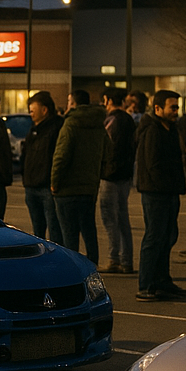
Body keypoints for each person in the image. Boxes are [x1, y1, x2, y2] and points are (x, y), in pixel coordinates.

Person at [135, 90, 186, 301]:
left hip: (169, 191)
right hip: (156, 193)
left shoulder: (170, 129)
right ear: (158, 109)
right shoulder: (152, 131)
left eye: (177, 107)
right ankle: (146, 285)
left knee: (167, 236)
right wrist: (165, 185)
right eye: (172, 107)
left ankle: (162, 281)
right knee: (154, 237)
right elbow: (152, 164)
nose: (176, 111)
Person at [50, 89, 111, 264]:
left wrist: (54, 182)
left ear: (74, 103)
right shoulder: (99, 124)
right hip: (89, 186)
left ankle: (73, 267)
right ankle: (92, 263)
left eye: (69, 101)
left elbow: (61, 156)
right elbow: (108, 151)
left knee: (69, 234)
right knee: (89, 229)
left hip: (67, 188)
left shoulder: (70, 124)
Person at [99, 88, 137, 273]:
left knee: (109, 216)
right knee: (123, 216)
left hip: (110, 174)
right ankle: (127, 260)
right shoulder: (129, 119)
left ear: (108, 100)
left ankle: (114, 258)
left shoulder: (111, 120)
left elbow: (107, 147)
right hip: (125, 174)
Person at [20, 91, 63, 244]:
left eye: (33, 109)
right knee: (37, 231)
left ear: (44, 110)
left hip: (47, 187)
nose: (30, 112)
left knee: (54, 230)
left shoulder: (56, 128)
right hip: (31, 185)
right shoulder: (33, 129)